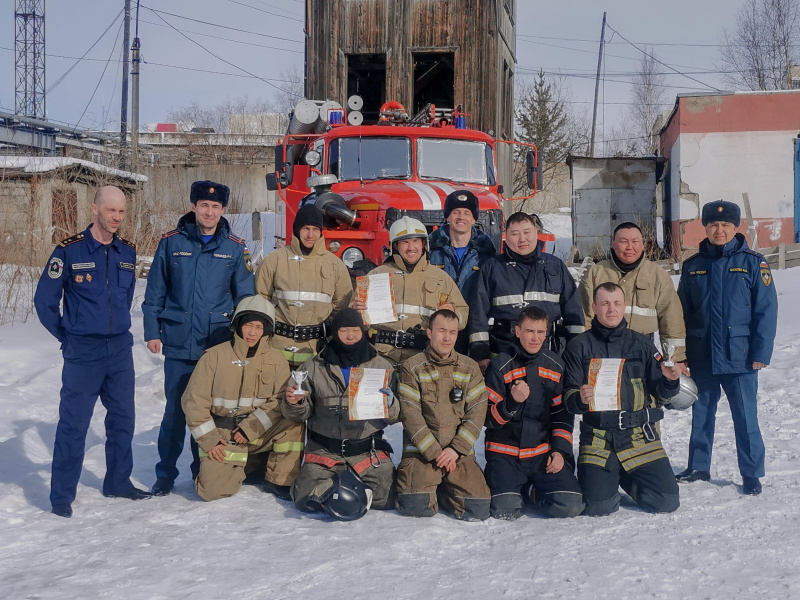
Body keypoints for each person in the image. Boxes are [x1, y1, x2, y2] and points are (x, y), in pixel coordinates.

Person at [34, 186, 152, 517]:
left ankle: (117, 482)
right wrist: (67, 336)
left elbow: (125, 299)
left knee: (123, 420)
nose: (117, 217)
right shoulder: (68, 251)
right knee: (74, 424)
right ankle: (61, 496)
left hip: (119, 350)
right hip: (83, 352)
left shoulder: (127, 252)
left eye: (122, 212)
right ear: (94, 209)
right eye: (111, 210)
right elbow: (45, 301)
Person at [143, 180, 254, 496]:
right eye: (203, 206)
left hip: (216, 346)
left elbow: (245, 297)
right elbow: (155, 292)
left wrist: (243, 338)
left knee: (209, 413)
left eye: (215, 206)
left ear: (223, 209)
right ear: (193, 207)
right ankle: (165, 474)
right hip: (178, 343)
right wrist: (152, 331)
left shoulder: (234, 247)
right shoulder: (171, 242)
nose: (209, 211)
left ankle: (201, 469)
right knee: (176, 413)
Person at [675, 200, 778, 496]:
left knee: (745, 417)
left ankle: (751, 473)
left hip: (740, 357)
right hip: (702, 354)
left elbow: (766, 311)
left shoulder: (753, 262)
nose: (719, 230)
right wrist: (681, 354)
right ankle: (698, 466)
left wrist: (760, 353)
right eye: (713, 225)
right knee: (701, 413)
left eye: (725, 226)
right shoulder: (693, 266)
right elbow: (681, 313)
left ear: (736, 227)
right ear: (704, 227)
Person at [563, 283, 683, 516]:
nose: (611, 309)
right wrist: (579, 398)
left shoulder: (643, 344)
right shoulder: (578, 347)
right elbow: (568, 399)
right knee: (598, 506)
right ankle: (609, 477)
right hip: (598, 437)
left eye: (617, 303)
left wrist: (669, 381)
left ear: (624, 306)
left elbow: (663, 395)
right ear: (594, 307)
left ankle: (627, 477)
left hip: (638, 435)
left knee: (666, 501)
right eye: (605, 303)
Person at [181, 295, 303, 501]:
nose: (253, 333)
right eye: (248, 325)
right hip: (222, 436)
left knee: (293, 423)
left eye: (259, 327)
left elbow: (278, 401)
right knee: (212, 492)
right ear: (237, 325)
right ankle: (245, 465)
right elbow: (193, 402)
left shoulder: (277, 361)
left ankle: (279, 479)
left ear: (266, 329)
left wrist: (250, 428)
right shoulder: (213, 357)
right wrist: (210, 441)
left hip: (257, 431)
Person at [283, 308, 398, 519]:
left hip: (366, 452)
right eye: (344, 330)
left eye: (355, 330)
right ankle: (345, 489)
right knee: (304, 499)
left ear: (363, 331)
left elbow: (393, 417)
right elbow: (298, 414)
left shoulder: (381, 366)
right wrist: (295, 402)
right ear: (335, 333)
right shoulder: (314, 366)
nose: (350, 335)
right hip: (325, 453)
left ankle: (340, 490)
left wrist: (391, 404)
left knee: (388, 497)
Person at [483, 306, 584, 520]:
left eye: (540, 332)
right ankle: (513, 490)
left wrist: (560, 451)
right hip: (505, 456)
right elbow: (487, 419)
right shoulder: (500, 365)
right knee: (504, 509)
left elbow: (562, 415)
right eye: (529, 331)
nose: (535, 338)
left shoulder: (555, 365)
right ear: (517, 331)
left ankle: (532, 491)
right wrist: (511, 402)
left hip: (542, 456)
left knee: (571, 504)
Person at [395, 309, 491, 521]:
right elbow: (411, 415)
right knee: (415, 505)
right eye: (441, 331)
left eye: (453, 332)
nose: (447, 337)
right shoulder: (412, 367)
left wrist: (456, 449)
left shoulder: (470, 368)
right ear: (429, 333)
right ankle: (431, 487)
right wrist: (435, 452)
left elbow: (476, 413)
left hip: (459, 455)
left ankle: (445, 492)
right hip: (422, 454)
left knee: (478, 508)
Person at [469, 212, 584, 372]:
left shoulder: (555, 267)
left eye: (527, 232)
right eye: (515, 234)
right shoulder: (492, 268)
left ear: (536, 233)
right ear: (506, 237)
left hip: (548, 351)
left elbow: (574, 314)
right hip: (504, 351)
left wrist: (575, 351)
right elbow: (478, 313)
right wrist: (480, 352)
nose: (522, 239)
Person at [353, 216, 468, 367]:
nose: (411, 247)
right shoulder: (375, 276)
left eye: (415, 241)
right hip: (380, 356)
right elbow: (352, 321)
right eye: (405, 242)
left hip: (423, 359)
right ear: (395, 246)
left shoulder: (441, 278)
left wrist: (453, 313)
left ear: (423, 245)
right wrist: (356, 313)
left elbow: (463, 314)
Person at [256, 204, 353, 367]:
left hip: (317, 352)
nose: (310, 235)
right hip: (277, 349)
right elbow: (261, 301)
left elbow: (342, 305)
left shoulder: (335, 265)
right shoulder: (274, 260)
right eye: (306, 228)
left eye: (315, 229)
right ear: (297, 229)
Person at [579, 222, 687, 364]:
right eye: (623, 241)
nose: (630, 247)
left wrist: (676, 359)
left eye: (635, 241)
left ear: (643, 244)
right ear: (613, 243)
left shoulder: (657, 275)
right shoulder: (596, 273)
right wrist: (584, 354)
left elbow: (671, 321)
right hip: (602, 352)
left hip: (643, 353)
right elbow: (584, 317)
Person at [428, 190, 497, 353]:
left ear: (474, 219)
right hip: (439, 330)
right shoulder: (430, 251)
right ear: (447, 217)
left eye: (467, 213)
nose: (461, 217)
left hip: (474, 329)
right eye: (456, 212)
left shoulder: (487, 255)